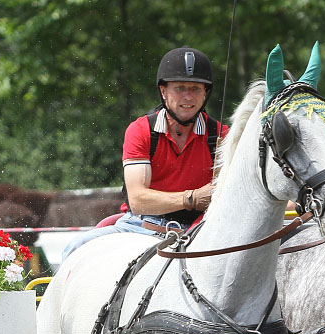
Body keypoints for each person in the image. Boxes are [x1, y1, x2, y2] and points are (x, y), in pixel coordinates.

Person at [61, 46, 228, 261]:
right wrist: (192, 198)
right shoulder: (140, 131)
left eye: (196, 88)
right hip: (139, 228)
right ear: (163, 91)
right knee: (77, 247)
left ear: (205, 93)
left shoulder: (223, 136)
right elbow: (139, 200)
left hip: (200, 235)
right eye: (180, 88)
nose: (188, 96)